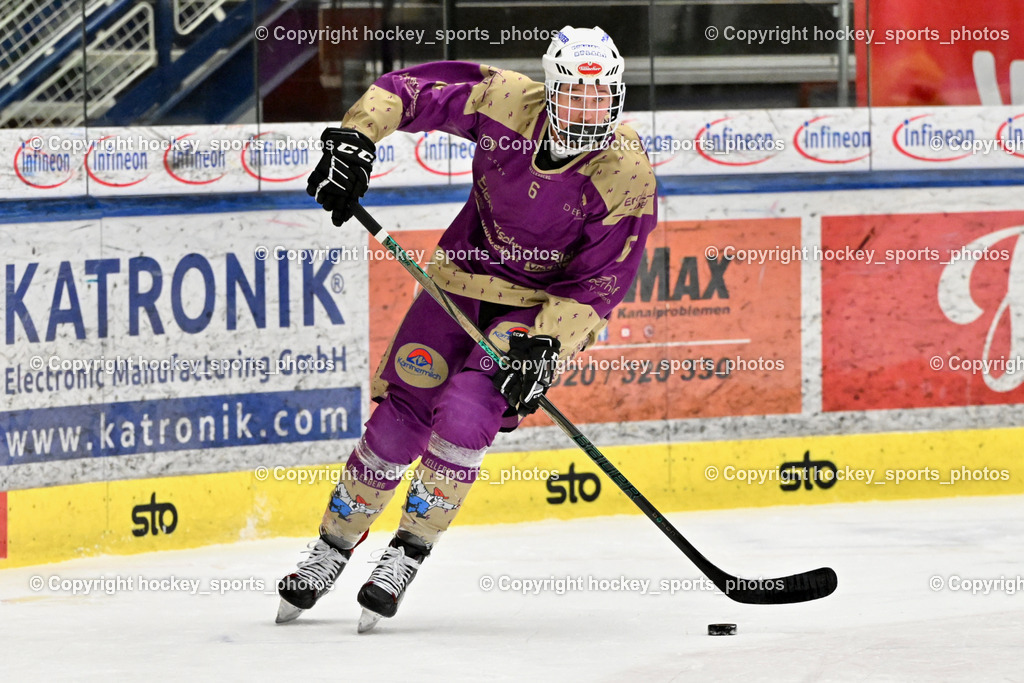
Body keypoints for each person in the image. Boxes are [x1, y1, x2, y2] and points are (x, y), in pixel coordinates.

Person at [276, 25, 658, 632]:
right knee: (401, 415)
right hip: (458, 281)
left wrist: (549, 348)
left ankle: (406, 551)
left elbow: (601, 279)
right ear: (551, 91)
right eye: (576, 97)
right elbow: (406, 90)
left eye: (602, 98)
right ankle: (331, 546)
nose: (590, 112)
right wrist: (353, 142)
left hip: (530, 316)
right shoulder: (506, 99)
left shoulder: (625, 173)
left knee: (464, 412)